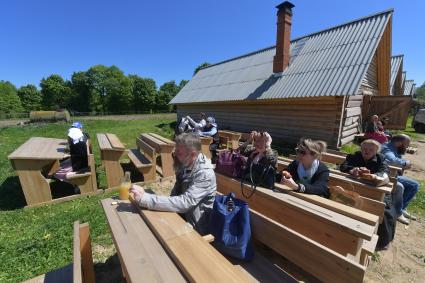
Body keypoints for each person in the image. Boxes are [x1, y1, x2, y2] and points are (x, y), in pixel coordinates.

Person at [130, 133, 216, 235]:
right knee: (143, 225)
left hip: (195, 226)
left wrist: (145, 199)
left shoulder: (204, 174)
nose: (174, 155)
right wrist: (146, 196)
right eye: (175, 150)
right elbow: (176, 196)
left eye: (178, 153)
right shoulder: (186, 162)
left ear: (192, 154)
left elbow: (184, 203)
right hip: (180, 214)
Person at [340, 139, 399, 249]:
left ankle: (383, 241)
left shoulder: (381, 158)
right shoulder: (355, 155)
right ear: (361, 149)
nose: (367, 152)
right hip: (355, 187)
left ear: (376, 151)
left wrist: (372, 175)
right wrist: (352, 170)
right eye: (364, 149)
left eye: (371, 150)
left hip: (375, 189)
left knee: (385, 209)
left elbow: (385, 172)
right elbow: (343, 166)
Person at [381, 134, 420, 224]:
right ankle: (399, 211)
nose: (407, 147)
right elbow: (392, 160)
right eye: (406, 144)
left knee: (410, 184)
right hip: (386, 175)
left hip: (391, 173)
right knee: (414, 185)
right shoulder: (387, 149)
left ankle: (402, 208)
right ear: (399, 143)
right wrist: (405, 163)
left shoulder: (393, 147)